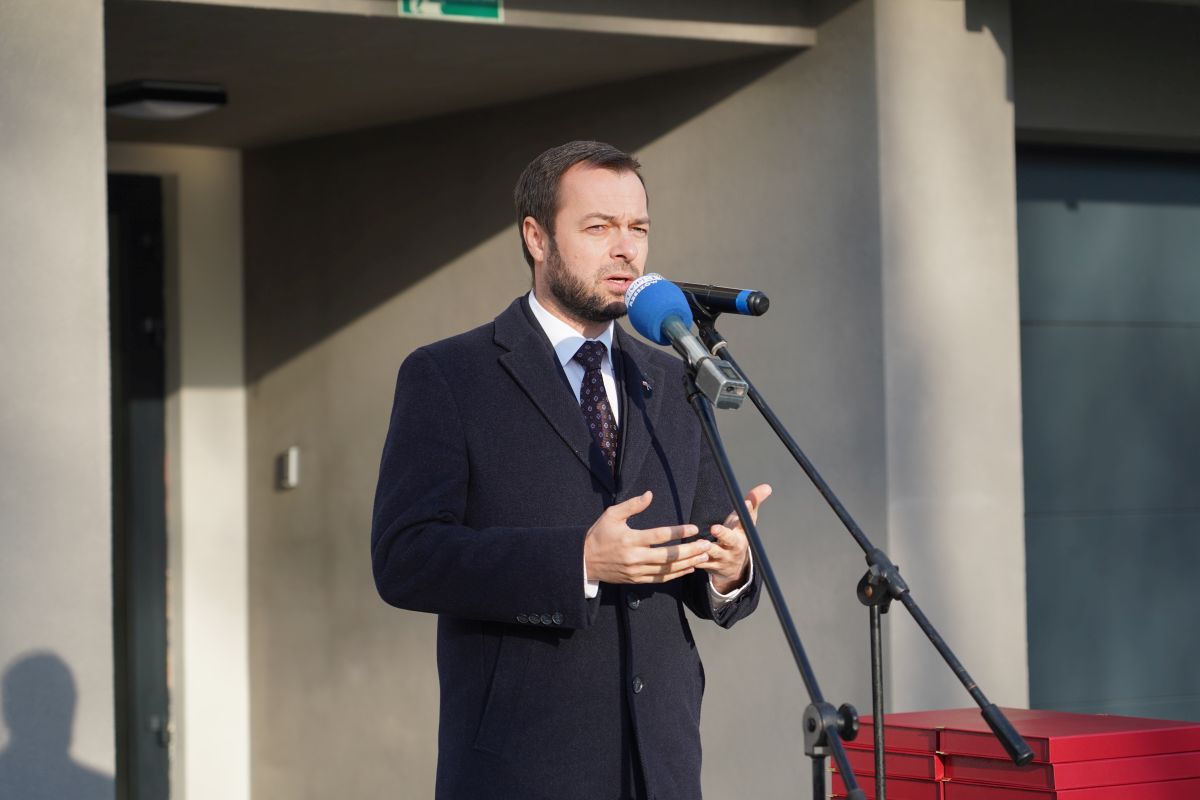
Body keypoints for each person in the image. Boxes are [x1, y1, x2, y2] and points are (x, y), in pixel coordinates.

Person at [371, 140, 771, 800]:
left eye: (638, 227)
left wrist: (730, 567)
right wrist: (579, 562)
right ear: (537, 237)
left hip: (662, 765)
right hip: (523, 767)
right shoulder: (449, 376)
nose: (626, 250)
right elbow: (405, 557)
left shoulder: (675, 378)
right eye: (599, 227)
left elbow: (708, 553)